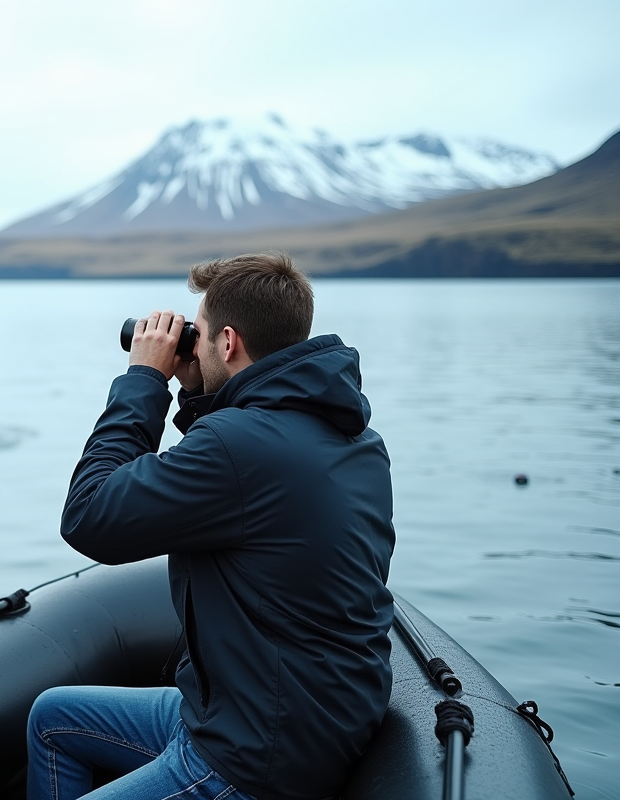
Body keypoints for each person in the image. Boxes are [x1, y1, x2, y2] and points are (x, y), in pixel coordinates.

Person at [27, 252, 395, 800]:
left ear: (226, 343)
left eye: (195, 334)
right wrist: (200, 391)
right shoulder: (351, 436)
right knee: (53, 719)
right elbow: (235, 472)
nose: (188, 345)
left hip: (253, 753)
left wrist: (145, 379)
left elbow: (88, 517)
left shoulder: (239, 446)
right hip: (281, 715)